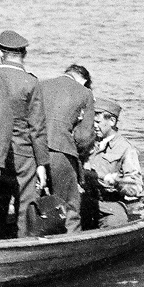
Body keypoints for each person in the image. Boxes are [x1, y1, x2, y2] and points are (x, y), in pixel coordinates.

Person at [0, 30, 49, 238]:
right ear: (24, 54)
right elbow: (37, 128)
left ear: (0, 53)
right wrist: (41, 163)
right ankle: (24, 244)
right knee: (25, 204)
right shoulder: (30, 82)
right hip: (23, 153)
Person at [37, 64, 95, 233]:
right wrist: (80, 154)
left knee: (34, 203)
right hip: (61, 152)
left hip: (32, 151)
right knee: (70, 206)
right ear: (83, 81)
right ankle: (71, 245)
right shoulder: (85, 93)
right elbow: (85, 137)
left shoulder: (41, 85)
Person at [82, 97, 143, 229]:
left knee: (116, 224)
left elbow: (135, 187)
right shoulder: (86, 142)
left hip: (110, 204)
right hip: (85, 200)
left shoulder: (126, 149)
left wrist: (117, 182)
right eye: (92, 122)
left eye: (98, 122)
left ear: (112, 121)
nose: (94, 126)